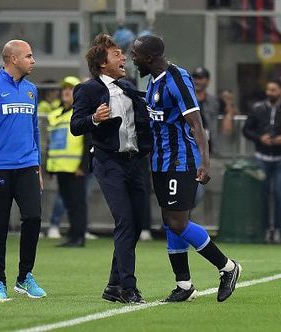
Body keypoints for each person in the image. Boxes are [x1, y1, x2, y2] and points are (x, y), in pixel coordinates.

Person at [131, 34, 241, 303]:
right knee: (171, 223)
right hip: (160, 162)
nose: (132, 59)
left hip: (181, 162)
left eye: (135, 55)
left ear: (149, 58)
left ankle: (227, 267)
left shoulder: (177, 79)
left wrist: (204, 162)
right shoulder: (153, 82)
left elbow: (195, 122)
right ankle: (184, 285)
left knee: (178, 221)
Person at [71, 33, 152, 304]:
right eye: (117, 54)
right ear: (102, 63)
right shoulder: (88, 89)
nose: (124, 58)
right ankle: (129, 288)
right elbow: (75, 125)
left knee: (138, 222)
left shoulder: (128, 86)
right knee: (125, 221)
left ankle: (112, 285)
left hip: (135, 162)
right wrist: (94, 118)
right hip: (109, 163)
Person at [0, 39, 46, 300]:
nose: (33, 61)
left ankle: (25, 276)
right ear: (13, 59)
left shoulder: (31, 90)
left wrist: (37, 166)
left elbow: (34, 129)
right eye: (29, 56)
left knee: (34, 217)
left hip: (27, 167)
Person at [243, 78, 281, 244]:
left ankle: (278, 229)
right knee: (263, 195)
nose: (269, 93)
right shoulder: (258, 108)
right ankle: (266, 229)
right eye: (268, 89)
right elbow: (246, 130)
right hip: (262, 156)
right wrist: (260, 138)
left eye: (273, 90)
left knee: (280, 193)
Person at [46, 76, 90, 247]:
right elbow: (52, 141)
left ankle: (79, 237)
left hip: (75, 168)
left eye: (70, 89)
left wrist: (83, 166)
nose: (66, 91)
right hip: (60, 167)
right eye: (64, 88)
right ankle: (73, 235)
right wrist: (50, 167)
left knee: (77, 204)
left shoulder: (81, 114)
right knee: (69, 203)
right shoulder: (56, 114)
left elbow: (88, 143)